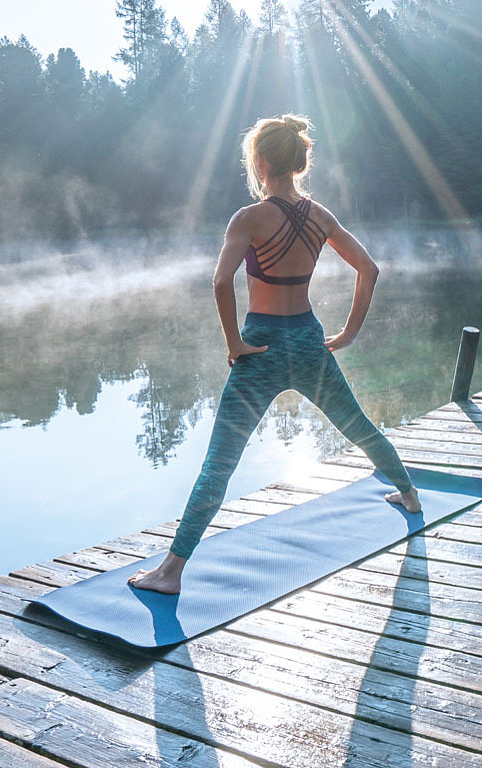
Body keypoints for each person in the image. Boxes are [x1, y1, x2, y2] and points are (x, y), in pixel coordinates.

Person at [128, 114, 420, 594]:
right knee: (358, 425)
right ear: (297, 162)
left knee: (218, 464)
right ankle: (409, 495)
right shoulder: (320, 215)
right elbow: (369, 269)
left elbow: (221, 282)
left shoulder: (248, 219)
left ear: (261, 162)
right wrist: (346, 333)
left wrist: (234, 345)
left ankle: (171, 572)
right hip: (308, 339)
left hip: (259, 346)